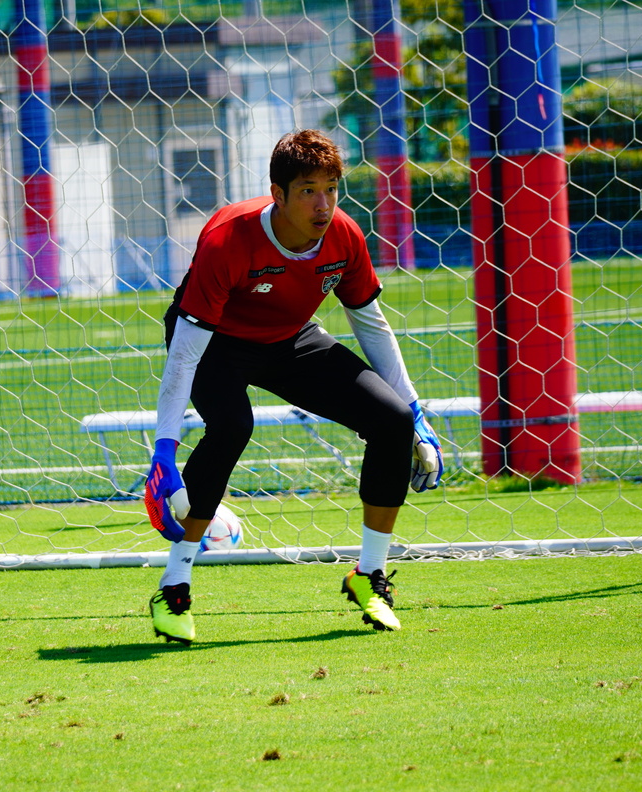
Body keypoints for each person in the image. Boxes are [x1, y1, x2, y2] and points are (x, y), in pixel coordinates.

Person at [144, 129, 443, 646]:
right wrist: (164, 452)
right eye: (308, 190)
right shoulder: (229, 239)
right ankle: (173, 586)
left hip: (289, 338)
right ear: (277, 194)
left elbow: (371, 325)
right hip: (215, 342)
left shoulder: (344, 236)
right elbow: (184, 356)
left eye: (331, 189)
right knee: (232, 427)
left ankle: (369, 575)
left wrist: (415, 414)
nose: (323, 204)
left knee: (391, 420)